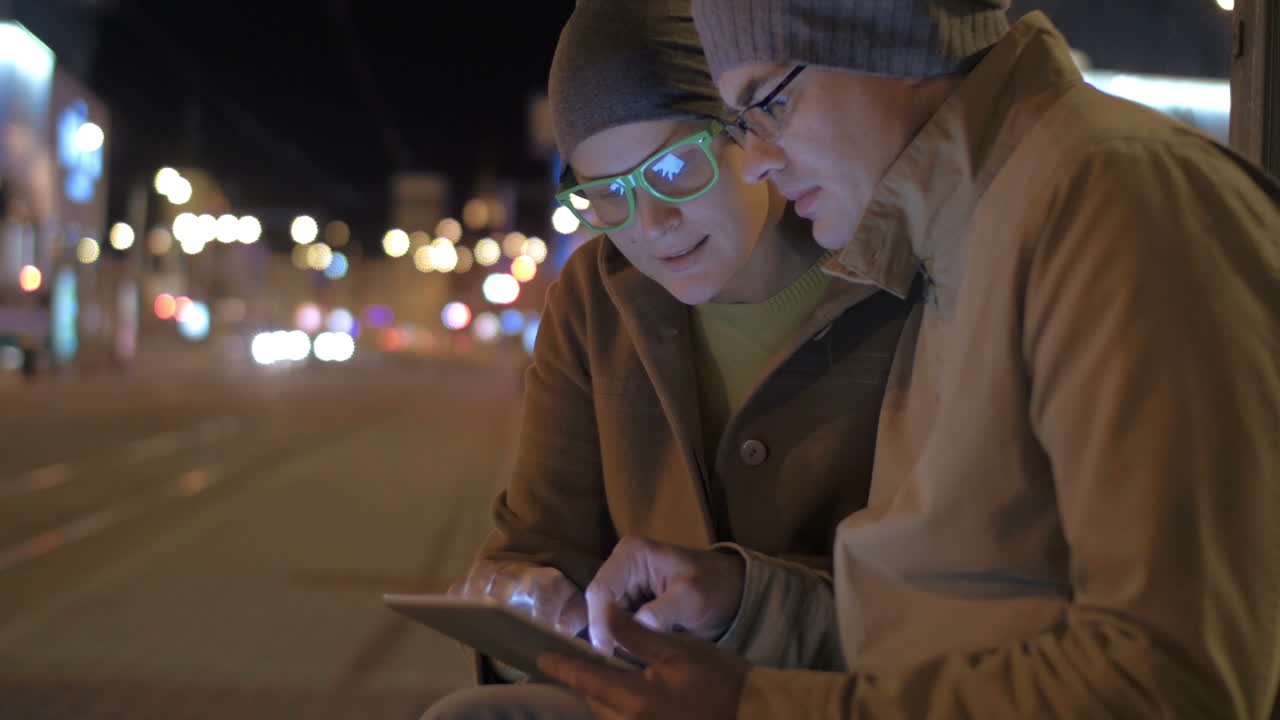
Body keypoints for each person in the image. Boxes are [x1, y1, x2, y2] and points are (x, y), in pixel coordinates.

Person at [537, 2, 1280, 719]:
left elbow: (1170, 686)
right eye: (741, 122)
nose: (756, 160)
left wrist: (757, 709)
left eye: (768, 104)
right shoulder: (957, 238)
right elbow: (929, 631)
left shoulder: (1116, 203)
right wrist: (744, 604)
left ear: (880, 34)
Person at [423, 1, 913, 717]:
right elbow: (540, 543)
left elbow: (950, 594)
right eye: (607, 195)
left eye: (676, 166)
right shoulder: (594, 299)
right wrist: (521, 604)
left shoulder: (895, 282)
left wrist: (741, 601)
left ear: (751, 129)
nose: (652, 225)